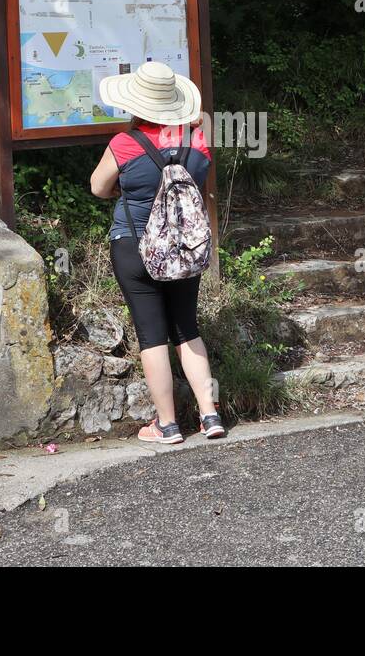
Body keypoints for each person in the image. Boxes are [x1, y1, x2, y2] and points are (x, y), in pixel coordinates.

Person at [89, 61, 225, 444]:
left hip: (134, 246)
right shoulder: (198, 141)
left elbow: (98, 187)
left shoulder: (124, 143)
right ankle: (210, 415)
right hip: (185, 246)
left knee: (152, 336)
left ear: (136, 103)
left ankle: (167, 425)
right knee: (187, 330)